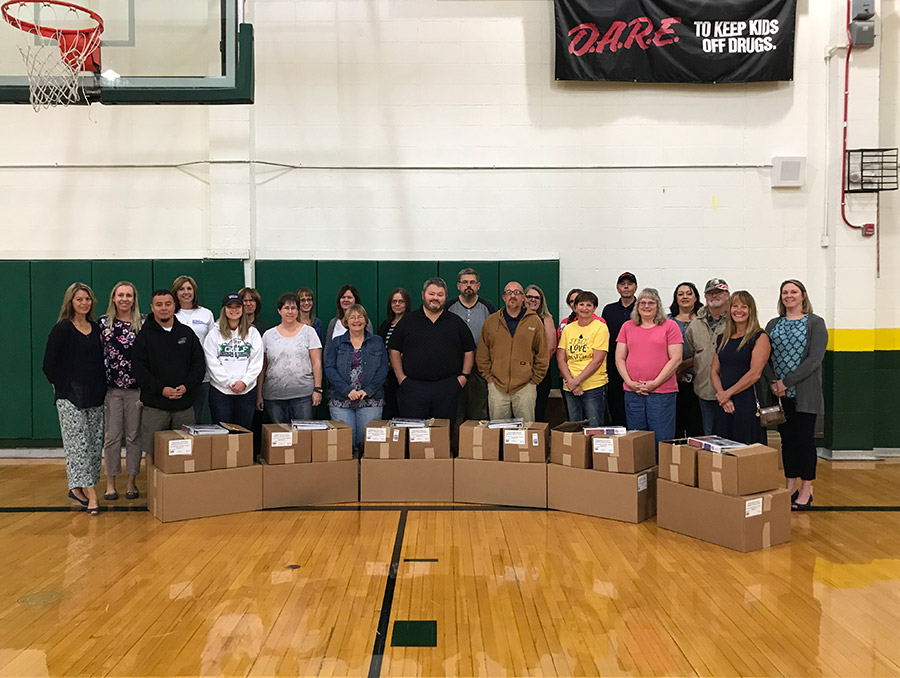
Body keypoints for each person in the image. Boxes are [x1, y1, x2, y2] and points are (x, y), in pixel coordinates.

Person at [42, 283, 107, 515]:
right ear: (70, 302)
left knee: (92, 445)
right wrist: (60, 387)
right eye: (79, 299)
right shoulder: (62, 329)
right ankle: (92, 496)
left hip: (96, 395)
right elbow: (48, 364)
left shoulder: (96, 328)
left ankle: (77, 487)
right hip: (70, 397)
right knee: (77, 446)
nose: (84, 303)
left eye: (87, 299)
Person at [764, 280, 827, 511]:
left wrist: (786, 382)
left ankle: (807, 488)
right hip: (779, 396)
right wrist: (774, 382)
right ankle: (790, 485)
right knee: (787, 441)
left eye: (793, 292)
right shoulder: (773, 324)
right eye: (785, 292)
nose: (789, 296)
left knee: (804, 441)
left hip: (804, 395)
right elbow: (764, 356)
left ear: (803, 295)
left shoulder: (815, 323)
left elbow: (814, 359)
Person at [132, 289, 206, 464]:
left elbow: (198, 365)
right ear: (152, 307)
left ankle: (181, 488)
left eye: (167, 304)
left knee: (185, 450)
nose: (163, 308)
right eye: (159, 305)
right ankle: (154, 487)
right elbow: (139, 369)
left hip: (184, 406)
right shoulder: (144, 336)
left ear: (174, 306)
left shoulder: (187, 334)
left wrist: (187, 386)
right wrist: (161, 390)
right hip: (155, 406)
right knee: (151, 450)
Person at [389, 277, 476, 421]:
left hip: (447, 387)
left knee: (442, 434)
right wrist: (401, 378)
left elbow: (469, 350)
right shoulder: (408, 321)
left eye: (440, 295)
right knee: (415, 434)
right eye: (431, 294)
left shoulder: (456, 322)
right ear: (423, 295)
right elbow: (394, 350)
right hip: (413, 387)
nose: (435, 298)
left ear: (445, 297)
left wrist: (463, 377)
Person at [616, 287, 683, 451]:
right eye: (643, 303)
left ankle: (660, 475)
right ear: (637, 306)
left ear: (658, 305)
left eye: (651, 303)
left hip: (662, 392)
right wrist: (630, 382)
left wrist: (655, 383)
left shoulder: (670, 326)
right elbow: (619, 358)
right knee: (637, 440)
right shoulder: (627, 326)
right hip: (633, 392)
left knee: (662, 439)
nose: (646, 306)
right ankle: (641, 476)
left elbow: (676, 359)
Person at [477, 281, 549, 421]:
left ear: (523, 297)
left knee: (525, 431)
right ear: (504, 297)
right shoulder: (491, 321)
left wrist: (534, 380)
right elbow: (482, 353)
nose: (513, 296)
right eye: (509, 292)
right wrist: (489, 378)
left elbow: (542, 354)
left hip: (525, 387)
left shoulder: (534, 322)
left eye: (517, 292)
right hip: (497, 386)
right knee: (498, 430)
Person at [99, 281, 144, 501]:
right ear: (113, 298)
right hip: (112, 389)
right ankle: (110, 483)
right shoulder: (103, 324)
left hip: (136, 390)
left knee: (134, 436)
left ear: (134, 299)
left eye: (129, 295)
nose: (124, 299)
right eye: (120, 295)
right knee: (112, 436)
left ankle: (132, 482)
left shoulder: (143, 323)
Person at [325, 304, 389, 453]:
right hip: (340, 400)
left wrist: (368, 390)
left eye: (360, 317)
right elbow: (329, 368)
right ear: (346, 321)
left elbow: (383, 368)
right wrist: (347, 390)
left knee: (367, 442)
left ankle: (366, 473)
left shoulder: (377, 342)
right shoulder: (337, 342)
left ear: (366, 321)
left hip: (370, 400)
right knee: (345, 443)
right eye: (352, 317)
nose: (356, 320)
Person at [710, 291, 770, 445]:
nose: (739, 310)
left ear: (751, 311)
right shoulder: (722, 338)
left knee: (746, 447)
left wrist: (727, 394)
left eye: (744, 307)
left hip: (747, 401)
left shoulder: (759, 337)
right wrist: (722, 396)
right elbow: (714, 371)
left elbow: (755, 374)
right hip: (724, 402)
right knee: (722, 447)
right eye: (735, 306)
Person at [257, 292, 323, 423]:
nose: (290, 312)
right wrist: (259, 395)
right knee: (280, 439)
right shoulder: (268, 335)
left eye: (293, 308)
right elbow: (262, 368)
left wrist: (317, 389)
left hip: (303, 395)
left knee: (303, 437)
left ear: (298, 311)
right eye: (286, 308)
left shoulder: (309, 332)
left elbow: (317, 362)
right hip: (274, 395)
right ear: (279, 311)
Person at [204, 293, 264, 430]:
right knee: (222, 435)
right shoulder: (214, 334)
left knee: (243, 434)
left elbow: (257, 361)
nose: (234, 310)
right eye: (230, 306)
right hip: (221, 393)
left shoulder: (253, 333)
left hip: (247, 392)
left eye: (237, 306)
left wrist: (244, 382)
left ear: (242, 309)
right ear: (223, 310)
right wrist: (230, 382)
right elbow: (212, 362)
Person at [447, 268, 496, 421]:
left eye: (472, 282)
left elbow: (495, 336)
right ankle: (454, 444)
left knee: (479, 410)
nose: (468, 285)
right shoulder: (449, 307)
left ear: (478, 285)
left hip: (480, 368)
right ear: (458, 286)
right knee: (455, 410)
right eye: (465, 282)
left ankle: (476, 443)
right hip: (454, 367)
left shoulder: (488, 307)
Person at [557, 291, 610, 427]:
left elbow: (597, 360)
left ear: (594, 308)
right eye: (581, 304)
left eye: (589, 305)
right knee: (575, 428)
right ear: (575, 307)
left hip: (593, 386)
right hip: (570, 386)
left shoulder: (600, 328)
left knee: (594, 427)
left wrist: (577, 381)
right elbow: (561, 357)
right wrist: (571, 381)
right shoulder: (568, 329)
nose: (584, 308)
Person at [685, 278, 731, 435]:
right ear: (705, 297)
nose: (714, 296)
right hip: (704, 390)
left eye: (719, 292)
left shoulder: (738, 320)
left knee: (733, 435)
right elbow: (694, 353)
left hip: (733, 390)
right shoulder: (694, 325)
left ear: (728, 295)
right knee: (710, 435)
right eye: (711, 293)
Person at [173, 275, 214, 423]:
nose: (186, 292)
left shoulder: (206, 314)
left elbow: (212, 344)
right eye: (181, 289)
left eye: (189, 288)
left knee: (196, 418)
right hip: (175, 375)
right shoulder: (171, 314)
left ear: (195, 291)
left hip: (201, 376)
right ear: (176, 293)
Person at [668, 282, 704, 437]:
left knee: (695, 425)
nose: (685, 297)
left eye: (689, 293)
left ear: (696, 297)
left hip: (699, 380)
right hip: (671, 380)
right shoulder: (667, 321)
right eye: (680, 294)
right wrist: (674, 369)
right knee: (674, 425)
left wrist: (685, 364)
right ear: (676, 298)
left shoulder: (704, 320)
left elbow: (708, 351)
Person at [602, 272, 638, 425]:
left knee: (635, 406)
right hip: (613, 366)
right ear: (617, 288)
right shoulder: (609, 310)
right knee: (615, 405)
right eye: (622, 284)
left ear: (635, 287)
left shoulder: (643, 308)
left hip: (636, 365)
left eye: (629, 283)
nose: (626, 286)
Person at [524, 284, 558, 421]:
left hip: (540, 374)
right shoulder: (515, 317)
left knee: (538, 412)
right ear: (522, 298)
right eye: (529, 296)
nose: (533, 300)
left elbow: (550, 349)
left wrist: (535, 371)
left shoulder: (546, 319)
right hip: (518, 373)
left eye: (537, 298)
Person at [378, 287, 411, 419]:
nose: (397, 304)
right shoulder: (385, 325)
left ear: (407, 304)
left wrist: (397, 360)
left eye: (401, 301)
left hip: (406, 374)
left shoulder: (412, 324)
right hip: (387, 377)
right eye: (394, 301)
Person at [324, 285, 374, 353]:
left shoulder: (364, 322)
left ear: (355, 300)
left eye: (349, 297)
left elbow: (371, 345)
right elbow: (328, 348)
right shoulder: (333, 323)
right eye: (343, 297)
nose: (346, 300)